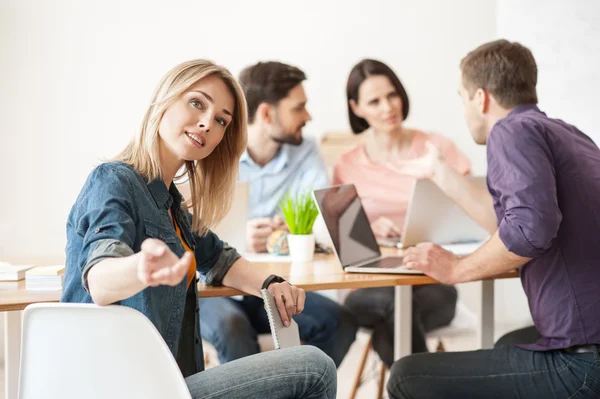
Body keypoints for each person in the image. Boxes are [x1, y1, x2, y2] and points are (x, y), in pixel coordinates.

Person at [61, 59, 336, 399]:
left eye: (221, 119)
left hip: (167, 382)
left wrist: (270, 284)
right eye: (197, 103)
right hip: (126, 387)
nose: (208, 122)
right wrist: (140, 268)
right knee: (313, 367)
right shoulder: (114, 181)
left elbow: (220, 259)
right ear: (164, 102)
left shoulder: (172, 204)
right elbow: (100, 281)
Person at [387, 39, 600, 399]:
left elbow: (531, 229)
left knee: (406, 376)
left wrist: (457, 269)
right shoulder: (567, 133)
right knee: (506, 345)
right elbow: (514, 223)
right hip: (590, 343)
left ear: (480, 98)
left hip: (582, 364)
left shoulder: (510, 131)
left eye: (462, 96)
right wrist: (439, 172)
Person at [199, 61, 357, 368]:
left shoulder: (305, 150)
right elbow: (194, 227)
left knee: (339, 321)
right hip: (214, 288)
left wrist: (289, 231)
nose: (308, 117)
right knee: (233, 328)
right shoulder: (213, 150)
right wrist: (237, 238)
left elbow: (317, 217)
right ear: (268, 114)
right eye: (299, 108)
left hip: (272, 284)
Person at [334, 59, 472, 366]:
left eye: (392, 95)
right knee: (391, 303)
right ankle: (425, 388)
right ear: (356, 108)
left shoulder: (435, 148)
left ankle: (416, 387)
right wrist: (367, 228)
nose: (387, 107)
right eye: (374, 101)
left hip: (431, 281)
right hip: (367, 284)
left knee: (396, 309)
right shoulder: (346, 165)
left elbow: (470, 211)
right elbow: (339, 237)